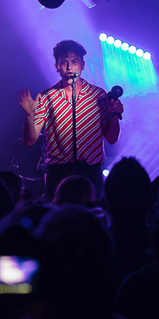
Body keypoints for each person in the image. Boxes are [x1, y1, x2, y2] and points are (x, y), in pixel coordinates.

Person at [17, 39, 123, 201]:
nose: (70, 67)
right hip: (58, 171)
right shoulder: (46, 97)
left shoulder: (98, 95)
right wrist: (29, 115)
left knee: (92, 217)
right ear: (57, 66)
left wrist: (115, 116)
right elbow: (30, 140)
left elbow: (111, 138)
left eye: (74, 62)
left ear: (82, 65)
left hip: (91, 170)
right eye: (64, 63)